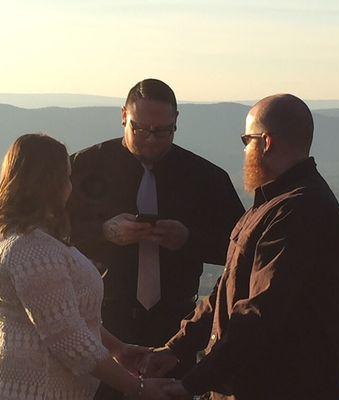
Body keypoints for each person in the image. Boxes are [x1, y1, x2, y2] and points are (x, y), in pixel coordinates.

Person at [146, 94, 339, 400]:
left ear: (266, 142)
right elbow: (228, 286)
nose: (245, 150)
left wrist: (190, 384)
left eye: (247, 140)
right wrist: (177, 348)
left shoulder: (300, 211)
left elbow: (260, 313)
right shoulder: (271, 204)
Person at [67, 79, 244, 398]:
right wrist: (104, 233)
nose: (151, 138)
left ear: (177, 122)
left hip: (176, 327)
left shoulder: (206, 178)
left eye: (163, 131)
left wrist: (189, 240)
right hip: (103, 323)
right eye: (141, 128)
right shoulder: (82, 168)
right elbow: (48, 237)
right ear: (123, 116)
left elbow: (241, 249)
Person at [0, 133, 173, 400]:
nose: (70, 186)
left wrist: (118, 348)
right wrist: (138, 388)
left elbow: (64, 314)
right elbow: (69, 339)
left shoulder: (14, 235)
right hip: (31, 389)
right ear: (52, 183)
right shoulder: (34, 251)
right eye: (67, 177)